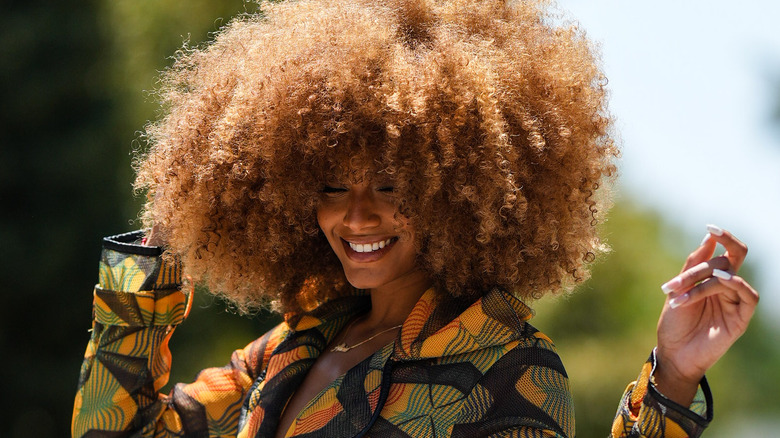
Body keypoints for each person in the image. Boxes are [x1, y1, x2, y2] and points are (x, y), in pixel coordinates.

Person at [71, 0, 759, 436]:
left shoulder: (508, 365)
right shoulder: (292, 347)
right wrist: (150, 266)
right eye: (333, 184)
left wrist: (670, 379)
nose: (358, 213)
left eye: (394, 184)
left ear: (457, 189)